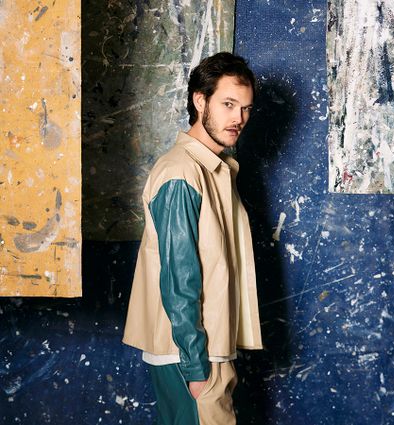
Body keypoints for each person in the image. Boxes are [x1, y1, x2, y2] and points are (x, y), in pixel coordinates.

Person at [123, 52, 263, 425]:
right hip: (192, 355)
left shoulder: (211, 169)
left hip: (207, 349)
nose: (238, 118)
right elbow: (179, 277)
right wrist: (195, 365)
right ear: (200, 101)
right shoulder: (181, 172)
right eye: (228, 104)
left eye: (246, 108)